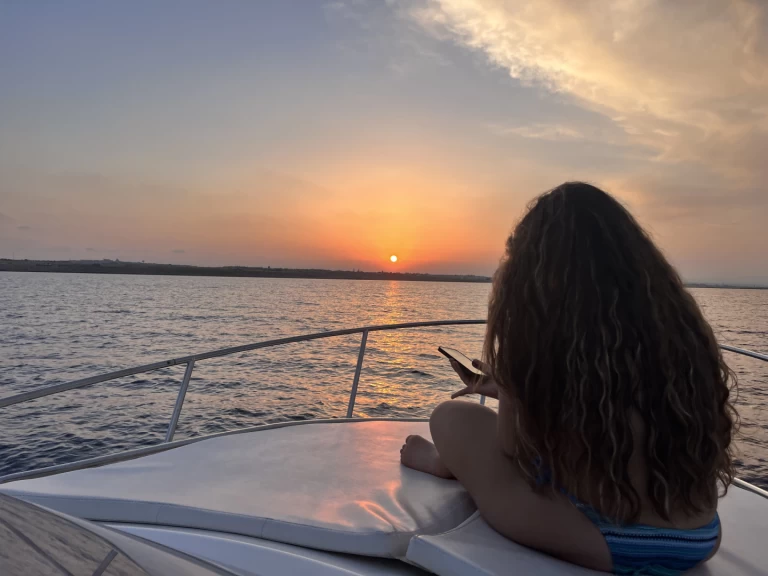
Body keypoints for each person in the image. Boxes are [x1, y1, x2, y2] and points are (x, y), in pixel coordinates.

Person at [400, 182, 737, 574]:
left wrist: (512, 385)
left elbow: (513, 448)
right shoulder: (678, 332)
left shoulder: (536, 332)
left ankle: (446, 464)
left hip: (609, 541)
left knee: (452, 416)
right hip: (700, 535)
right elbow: (608, 417)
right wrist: (517, 392)